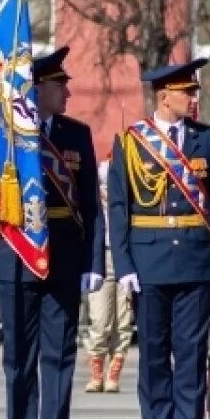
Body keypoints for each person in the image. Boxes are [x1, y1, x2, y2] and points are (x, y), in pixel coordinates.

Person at [108, 59, 210, 419]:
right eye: (188, 92)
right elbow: (119, 207)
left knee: (191, 351)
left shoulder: (209, 140)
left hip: (197, 258)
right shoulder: (131, 141)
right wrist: (125, 265)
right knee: (152, 351)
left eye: (195, 92)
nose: (194, 99)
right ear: (165, 96)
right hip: (149, 260)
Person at [0, 46, 104, 419]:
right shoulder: (6, 135)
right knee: (18, 353)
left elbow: (90, 204)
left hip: (64, 255)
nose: (67, 94)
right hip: (17, 252)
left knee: (58, 350)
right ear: (37, 89)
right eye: (60, 86)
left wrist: (94, 262)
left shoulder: (77, 135)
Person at [84, 157, 135, 394]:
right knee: (101, 319)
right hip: (101, 258)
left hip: (125, 258)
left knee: (123, 322)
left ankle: (114, 374)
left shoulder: (130, 199)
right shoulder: (93, 201)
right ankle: (96, 373)